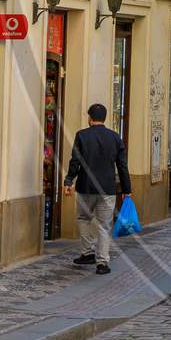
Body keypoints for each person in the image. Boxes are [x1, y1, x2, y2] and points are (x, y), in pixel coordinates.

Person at [62, 103, 132, 276]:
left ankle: (87, 253)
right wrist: (126, 188)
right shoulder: (115, 138)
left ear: (90, 118)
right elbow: (122, 165)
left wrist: (68, 181)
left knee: (83, 218)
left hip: (85, 187)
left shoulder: (82, 136)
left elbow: (75, 161)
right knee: (104, 225)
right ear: (105, 118)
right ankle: (102, 263)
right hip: (107, 189)